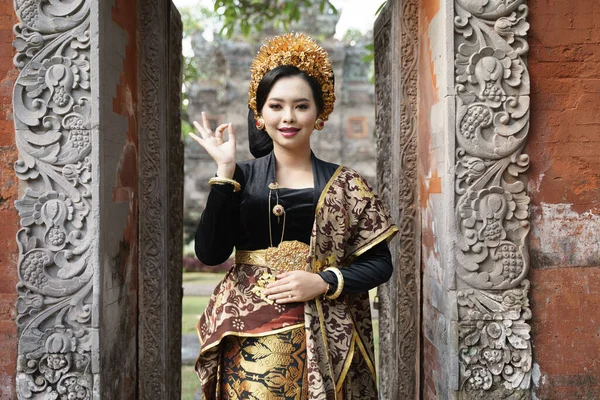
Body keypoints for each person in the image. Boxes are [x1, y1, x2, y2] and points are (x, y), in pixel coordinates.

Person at [190, 32, 398, 400]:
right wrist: (224, 173)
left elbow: (381, 264)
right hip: (248, 339)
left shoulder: (346, 184)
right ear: (260, 114)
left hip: (325, 335)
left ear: (320, 113)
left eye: (301, 106)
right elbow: (209, 253)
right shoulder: (239, 178)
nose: (288, 117)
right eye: (276, 106)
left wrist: (324, 281)